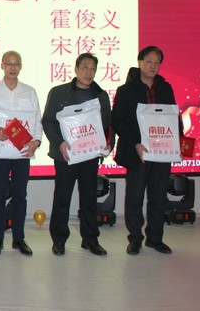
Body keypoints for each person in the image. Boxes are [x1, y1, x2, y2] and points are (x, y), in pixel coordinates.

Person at [42, 53, 114, 257]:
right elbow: (48, 121)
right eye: (85, 67)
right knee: (62, 198)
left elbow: (108, 124)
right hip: (66, 155)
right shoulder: (58, 92)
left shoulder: (101, 95)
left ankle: (90, 240)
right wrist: (60, 142)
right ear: (76, 69)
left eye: (93, 69)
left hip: (90, 155)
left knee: (90, 198)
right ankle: (59, 240)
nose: (88, 72)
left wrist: (109, 144)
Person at [112, 46, 178, 255]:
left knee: (158, 197)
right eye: (149, 61)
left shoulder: (165, 88)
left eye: (157, 62)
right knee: (135, 197)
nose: (153, 66)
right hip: (137, 152)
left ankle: (155, 239)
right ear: (140, 62)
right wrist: (136, 143)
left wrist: (179, 142)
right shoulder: (126, 90)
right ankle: (135, 239)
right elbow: (118, 121)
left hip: (162, 152)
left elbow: (173, 117)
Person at [0, 50, 42, 257]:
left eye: (16, 63)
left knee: (20, 196)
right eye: (9, 63)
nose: (12, 67)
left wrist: (36, 142)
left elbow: (37, 120)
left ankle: (18, 239)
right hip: (0, 152)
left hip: (22, 153)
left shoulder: (29, 91)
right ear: (2, 65)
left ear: (21, 66)